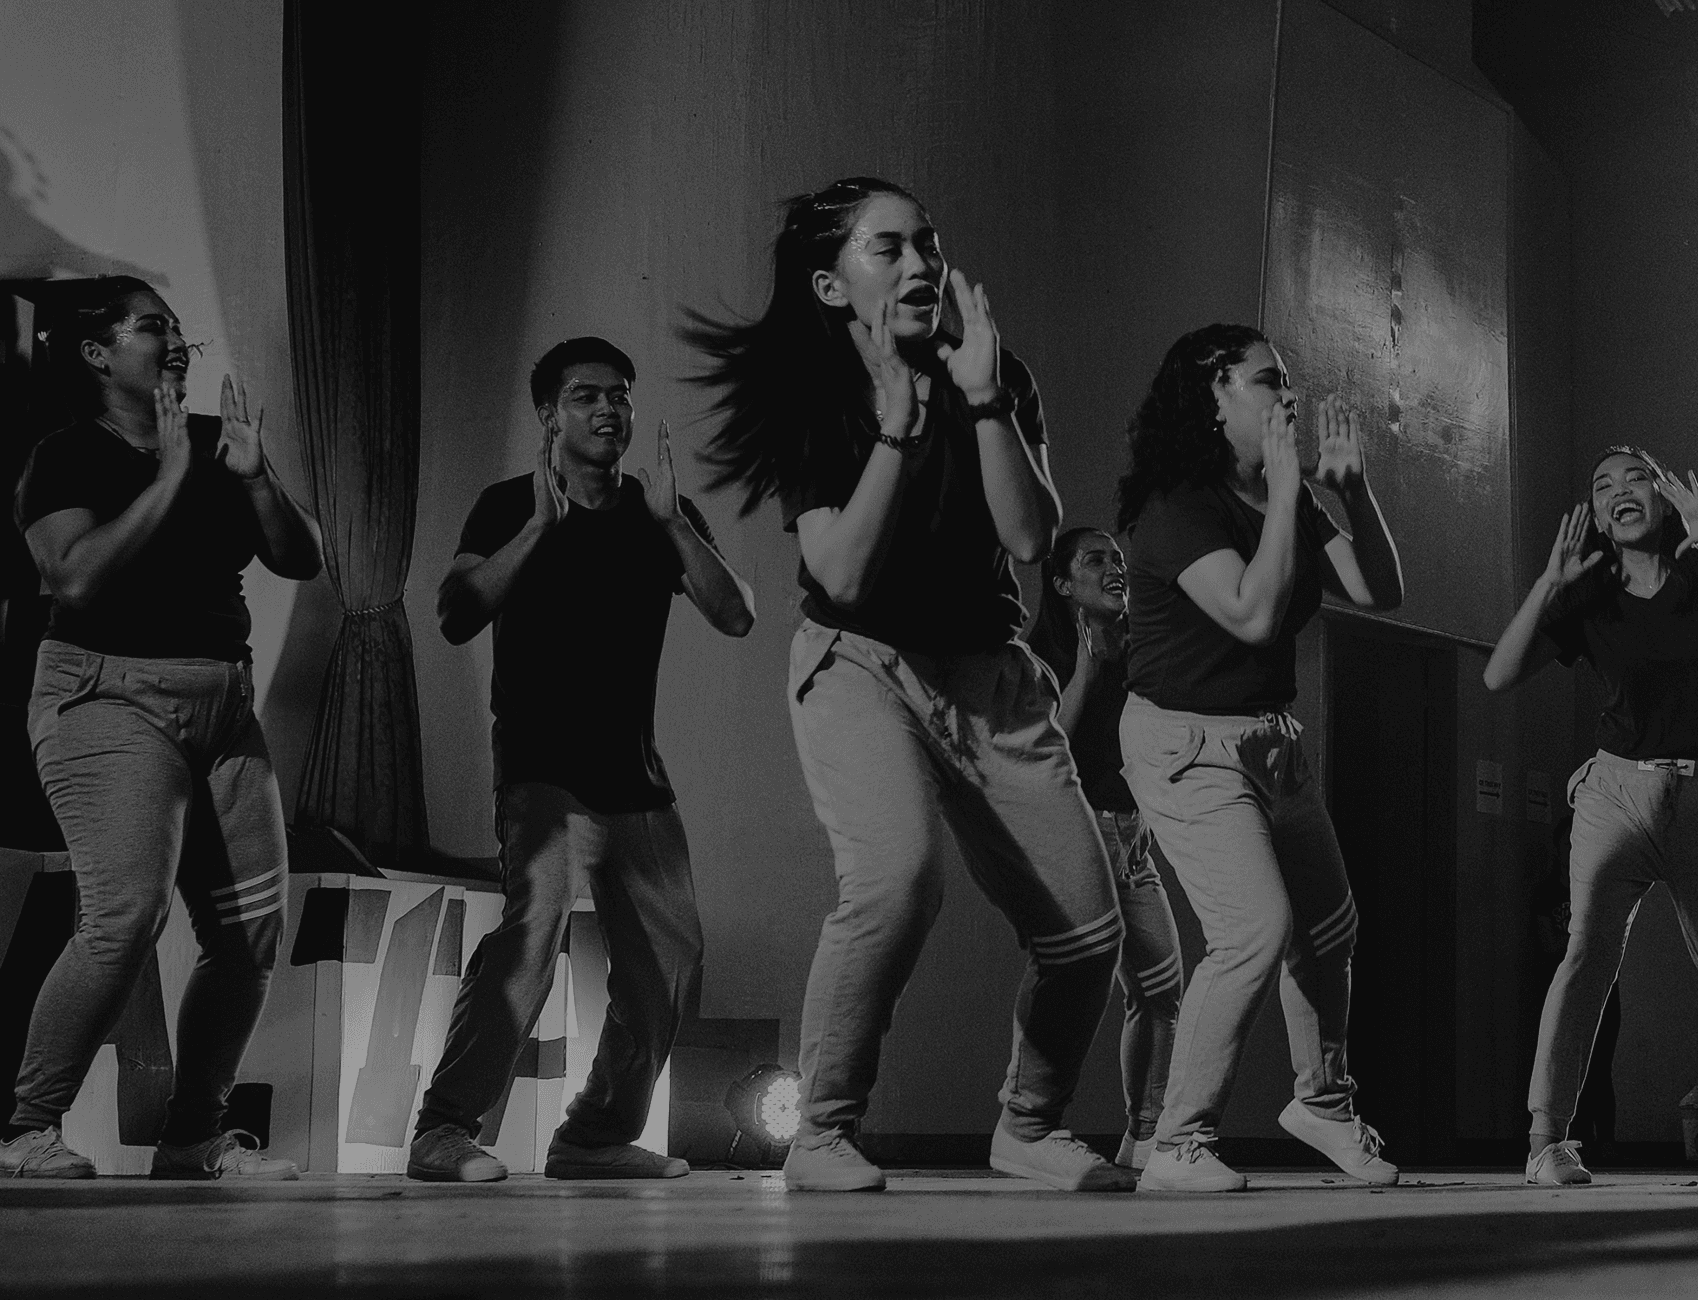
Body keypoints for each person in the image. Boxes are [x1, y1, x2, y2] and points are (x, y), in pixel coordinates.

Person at [690, 177, 1131, 1194]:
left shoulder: (996, 371)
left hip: (992, 673)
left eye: (927, 243)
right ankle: (823, 1131)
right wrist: (894, 425)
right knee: (894, 885)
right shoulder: (814, 395)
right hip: (861, 661)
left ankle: (1028, 1124)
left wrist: (979, 399)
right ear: (832, 284)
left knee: (1085, 930)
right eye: (888, 249)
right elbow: (839, 570)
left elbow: (1029, 538)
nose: (921, 264)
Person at [406, 337, 755, 1183]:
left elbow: (735, 613)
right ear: (549, 416)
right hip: (541, 765)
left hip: (634, 771)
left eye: (620, 396)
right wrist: (537, 529)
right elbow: (457, 613)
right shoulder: (506, 504)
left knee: (671, 960)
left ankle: (595, 1134)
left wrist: (674, 524)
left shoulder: (657, 508)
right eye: (585, 396)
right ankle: (444, 1131)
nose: (608, 410)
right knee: (532, 933)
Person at [0, 278, 320, 1179]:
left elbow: (302, 558)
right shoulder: (63, 456)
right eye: (152, 328)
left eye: (179, 329)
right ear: (99, 355)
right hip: (107, 698)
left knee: (249, 936)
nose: (175, 341)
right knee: (126, 914)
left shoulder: (222, 446)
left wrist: (254, 480)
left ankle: (193, 1137)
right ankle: (26, 1128)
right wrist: (169, 481)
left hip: (224, 708)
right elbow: (73, 579)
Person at [1114, 323, 1404, 1192]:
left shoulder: (1290, 496)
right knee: (1252, 930)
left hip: (1269, 739)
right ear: (1212, 400)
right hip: (1183, 739)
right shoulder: (1176, 506)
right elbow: (1249, 613)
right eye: (1267, 379)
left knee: (1329, 928)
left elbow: (1380, 591)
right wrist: (1286, 494)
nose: (1289, 395)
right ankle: (1176, 1142)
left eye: (1288, 379)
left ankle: (1322, 1101)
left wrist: (1351, 495)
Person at [1483, 448, 1698, 1187]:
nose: (1620, 491)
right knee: (1587, 954)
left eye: (1637, 479)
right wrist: (1547, 587)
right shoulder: (1587, 594)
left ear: (1664, 500)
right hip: (1616, 793)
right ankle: (1547, 1141)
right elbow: (1499, 674)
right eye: (1603, 485)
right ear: (1597, 516)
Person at [1026, 526, 1184, 1170]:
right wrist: (1088, 663)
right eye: (1097, 560)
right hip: (1074, 830)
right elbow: (1047, 743)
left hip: (1131, 834)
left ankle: (1144, 1134)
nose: (1115, 567)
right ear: (1063, 583)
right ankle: (1033, 1126)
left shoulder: (1140, 649)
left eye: (1119, 558)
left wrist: (1148, 807)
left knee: (1161, 985)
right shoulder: (1040, 652)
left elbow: (1147, 740)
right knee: (1068, 981)